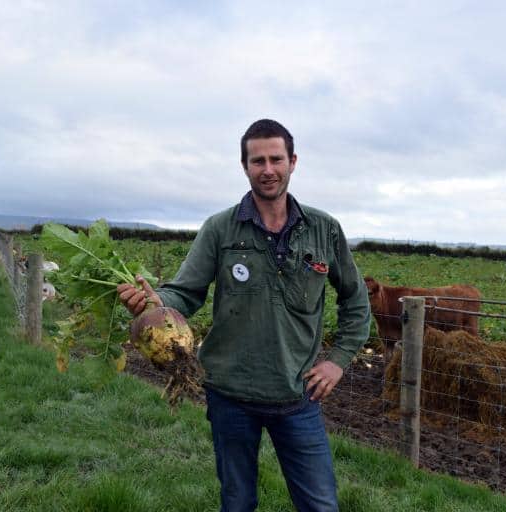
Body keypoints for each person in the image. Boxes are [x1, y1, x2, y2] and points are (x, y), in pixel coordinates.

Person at [117, 119, 371, 512]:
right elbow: (185, 293)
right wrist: (154, 304)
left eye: (276, 159)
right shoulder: (220, 229)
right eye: (258, 161)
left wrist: (338, 362)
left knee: (321, 505)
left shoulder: (324, 230)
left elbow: (355, 301)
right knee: (237, 503)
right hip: (230, 396)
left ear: (293, 162)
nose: (267, 169)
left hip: (297, 395)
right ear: (245, 166)